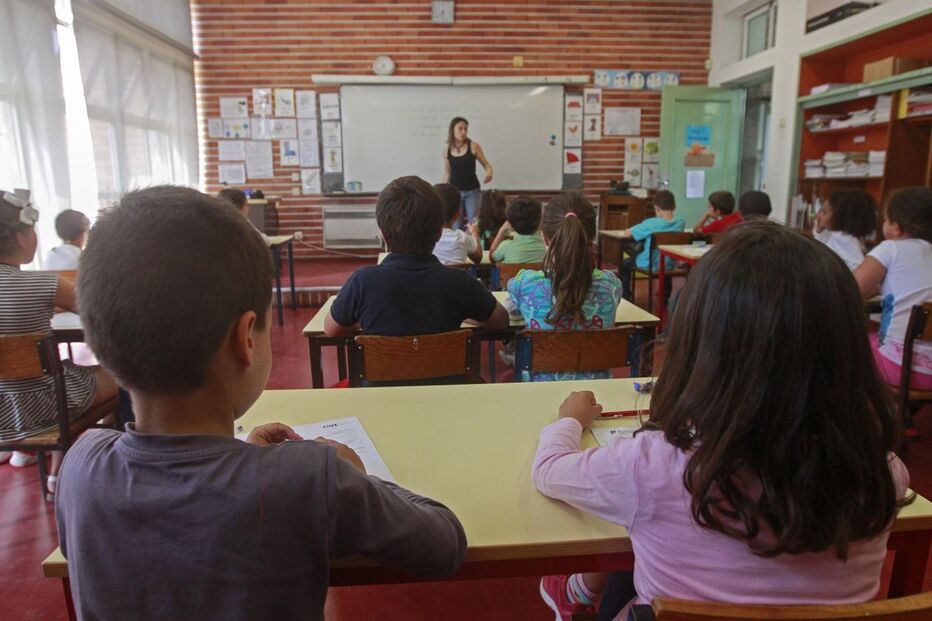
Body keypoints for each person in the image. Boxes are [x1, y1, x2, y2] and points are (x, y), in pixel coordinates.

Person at [56, 185, 467, 620]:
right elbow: (445, 543)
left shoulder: (81, 466)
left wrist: (243, 459)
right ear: (244, 339)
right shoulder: (312, 477)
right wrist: (356, 479)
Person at [534, 221, 911, 620]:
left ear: (699, 345)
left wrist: (569, 421)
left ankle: (575, 592)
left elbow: (548, 470)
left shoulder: (654, 465)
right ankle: (579, 589)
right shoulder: (884, 473)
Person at [0, 191, 117, 487]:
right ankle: (105, 464)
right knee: (123, 376)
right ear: (21, 237)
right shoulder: (42, 284)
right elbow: (105, 315)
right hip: (44, 407)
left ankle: (46, 468)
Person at [324, 176, 509, 337]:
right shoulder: (460, 282)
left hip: (384, 378)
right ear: (438, 232)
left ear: (382, 234)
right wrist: (465, 316)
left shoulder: (362, 282)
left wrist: (365, 320)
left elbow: (331, 329)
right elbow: (501, 321)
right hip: (449, 378)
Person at [508, 193, 622, 381]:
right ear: (592, 238)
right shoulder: (611, 285)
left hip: (539, 395)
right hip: (596, 396)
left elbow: (508, 314)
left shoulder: (525, 284)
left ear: (544, 238)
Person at [853, 187, 932, 391]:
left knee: (847, 347)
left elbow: (850, 289)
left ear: (896, 228)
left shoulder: (891, 248)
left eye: (886, 220)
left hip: (898, 367)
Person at [617, 190, 685, 301]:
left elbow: (628, 233)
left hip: (650, 263)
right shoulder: (681, 223)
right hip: (670, 264)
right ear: (674, 206)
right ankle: (665, 295)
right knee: (664, 256)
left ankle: (625, 296)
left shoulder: (651, 223)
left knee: (624, 264)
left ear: (657, 208)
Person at [441, 116, 494, 228]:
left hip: (473, 192)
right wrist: (440, 191)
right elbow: (447, 174)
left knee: (473, 225)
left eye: (465, 128)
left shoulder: (473, 146)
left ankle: (473, 245)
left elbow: (487, 165)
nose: (463, 132)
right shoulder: (447, 148)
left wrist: (489, 173)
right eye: (460, 128)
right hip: (455, 193)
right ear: (452, 130)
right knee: (456, 225)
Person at [814, 189, 877, 270]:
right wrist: (819, 231)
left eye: (824, 212)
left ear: (840, 217)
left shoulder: (844, 239)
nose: (818, 215)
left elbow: (820, 251)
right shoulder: (838, 235)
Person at [432, 183, 482, 265]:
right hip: (457, 277)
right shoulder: (462, 237)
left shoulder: (426, 238)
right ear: (457, 215)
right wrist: (475, 232)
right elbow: (478, 257)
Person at [489, 196, 547, 264]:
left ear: (511, 225)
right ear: (540, 222)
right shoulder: (546, 247)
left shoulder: (506, 246)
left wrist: (502, 229)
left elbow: (492, 257)